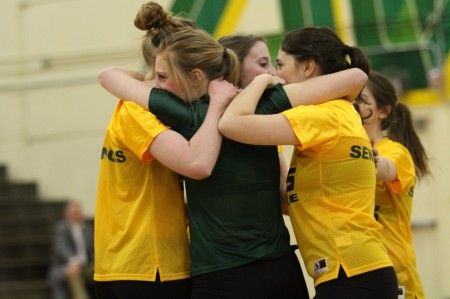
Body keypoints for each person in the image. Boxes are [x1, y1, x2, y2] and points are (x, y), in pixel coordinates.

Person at [100, 24, 369, 298]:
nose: (272, 72)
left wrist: (147, 80)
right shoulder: (270, 104)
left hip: (220, 274)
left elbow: (108, 75)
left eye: (162, 77)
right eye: (264, 64)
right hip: (280, 268)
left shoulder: (182, 114)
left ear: (195, 78)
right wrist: (263, 85)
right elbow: (355, 76)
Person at [219, 26, 399, 299]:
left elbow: (232, 124)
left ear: (308, 67)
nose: (275, 75)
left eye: (280, 64)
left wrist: (258, 83)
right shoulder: (336, 112)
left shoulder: (324, 115)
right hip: (352, 271)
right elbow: (304, 202)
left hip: (351, 270)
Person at [93, 2, 239, 299]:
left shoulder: (138, 102)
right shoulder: (138, 111)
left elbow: (110, 74)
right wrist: (217, 108)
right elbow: (196, 163)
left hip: (122, 262)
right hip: (151, 265)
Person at [356, 71, 431, 299]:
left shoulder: (397, 152)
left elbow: (383, 167)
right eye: (350, 100)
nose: (354, 106)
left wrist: (359, 156)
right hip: (359, 270)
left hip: (396, 271)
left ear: (383, 111)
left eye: (362, 100)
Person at [48, 201, 95, 299]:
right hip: (66, 266)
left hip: (87, 266)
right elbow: (61, 248)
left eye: (77, 213)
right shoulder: (60, 228)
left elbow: (93, 249)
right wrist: (74, 261)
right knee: (74, 272)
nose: (76, 216)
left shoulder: (89, 228)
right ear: (66, 215)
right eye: (73, 214)